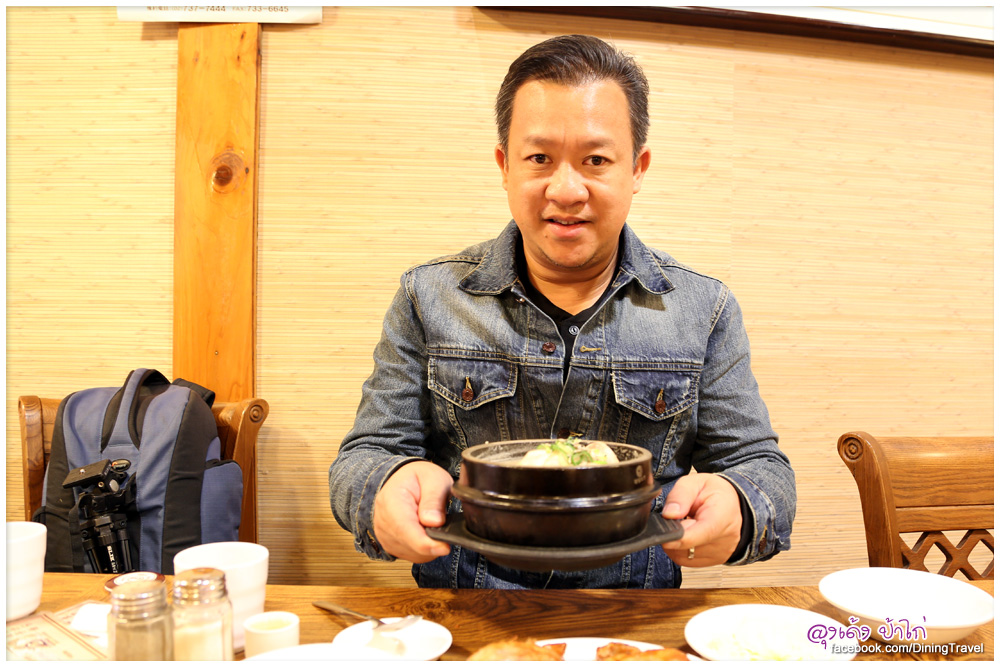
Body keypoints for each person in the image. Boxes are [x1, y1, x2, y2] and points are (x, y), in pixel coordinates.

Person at [329, 34, 796, 589]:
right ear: (505, 166)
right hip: (467, 612)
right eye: (539, 159)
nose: (567, 190)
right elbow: (367, 453)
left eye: (596, 160)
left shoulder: (703, 309)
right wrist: (385, 485)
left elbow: (762, 468)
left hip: (633, 617)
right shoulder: (428, 296)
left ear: (637, 168)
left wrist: (740, 503)